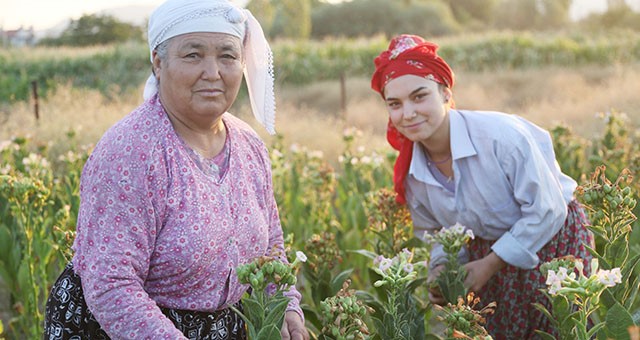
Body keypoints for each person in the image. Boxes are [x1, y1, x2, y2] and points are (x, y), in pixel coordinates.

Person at [43, 0, 309, 339]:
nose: (213, 72)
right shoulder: (132, 151)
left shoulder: (249, 145)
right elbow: (112, 284)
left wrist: (285, 306)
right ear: (158, 62)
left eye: (227, 56)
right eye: (193, 55)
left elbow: (271, 244)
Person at [370, 34, 593, 339]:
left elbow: (548, 208)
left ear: (446, 94)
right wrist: (442, 269)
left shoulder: (500, 138)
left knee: (561, 329)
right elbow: (436, 234)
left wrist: (491, 263)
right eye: (394, 104)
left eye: (419, 96)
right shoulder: (413, 175)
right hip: (485, 252)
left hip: (553, 239)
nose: (407, 113)